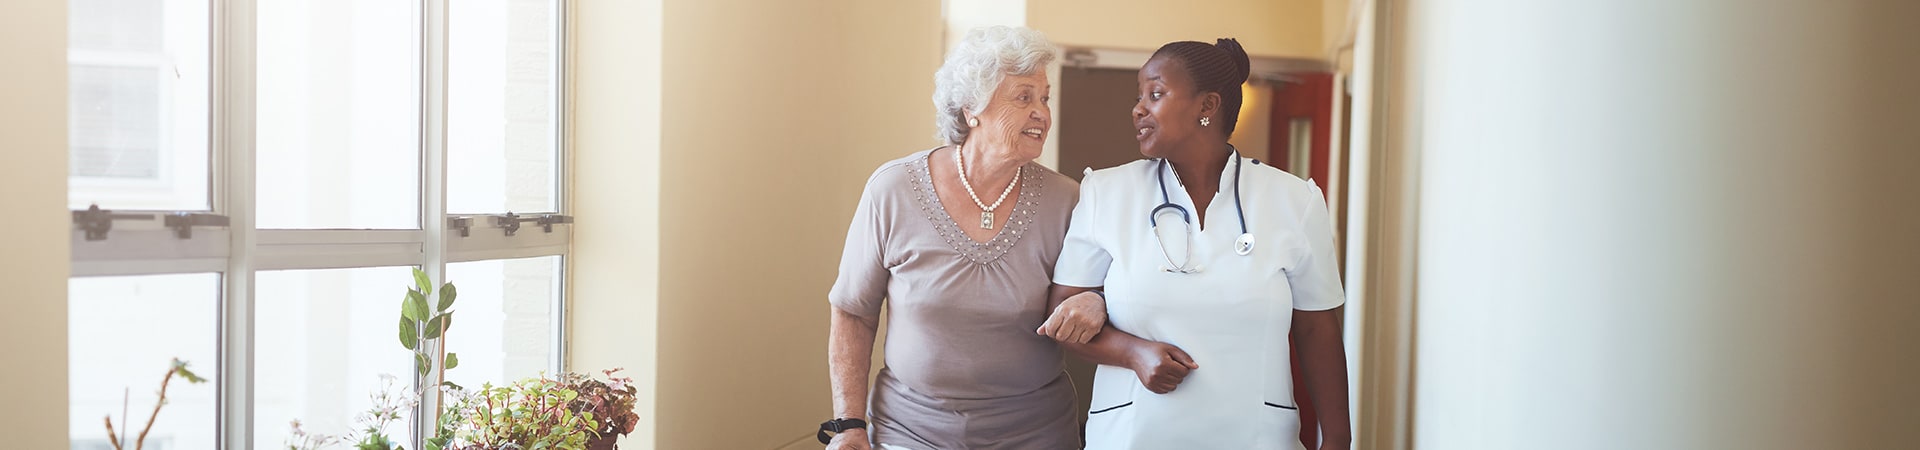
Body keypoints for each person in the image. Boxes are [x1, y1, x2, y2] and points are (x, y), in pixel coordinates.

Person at [1039, 38, 1353, 450]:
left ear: (1207, 106)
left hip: (1256, 436)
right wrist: (1133, 353)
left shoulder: (1294, 201)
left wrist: (1338, 440)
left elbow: (1317, 330)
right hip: (1136, 435)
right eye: (1139, 96)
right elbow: (1060, 322)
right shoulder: (1106, 193)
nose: (1138, 108)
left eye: (1155, 94)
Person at [823, 26, 1096, 450]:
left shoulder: (1068, 200)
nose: (1041, 112)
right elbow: (854, 313)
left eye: (1045, 97)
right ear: (972, 107)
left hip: (1036, 432)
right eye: (1024, 97)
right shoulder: (893, 190)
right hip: (910, 430)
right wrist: (849, 425)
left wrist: (1094, 301)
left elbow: (1095, 295)